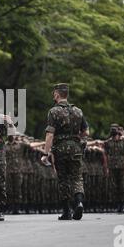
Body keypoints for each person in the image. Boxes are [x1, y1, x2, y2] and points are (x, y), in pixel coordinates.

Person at [43, 83, 89, 220]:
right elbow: (86, 132)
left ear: (57, 94)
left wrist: (46, 153)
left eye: (54, 93)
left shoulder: (53, 111)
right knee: (77, 177)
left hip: (60, 149)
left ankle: (67, 211)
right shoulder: (78, 111)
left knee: (63, 179)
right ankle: (79, 202)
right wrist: (75, 138)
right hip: (75, 148)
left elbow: (50, 134)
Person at [102, 124, 124, 213]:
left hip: (121, 167)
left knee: (122, 186)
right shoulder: (107, 143)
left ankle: (122, 204)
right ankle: (116, 204)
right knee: (113, 186)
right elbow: (105, 155)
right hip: (112, 166)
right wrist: (106, 167)